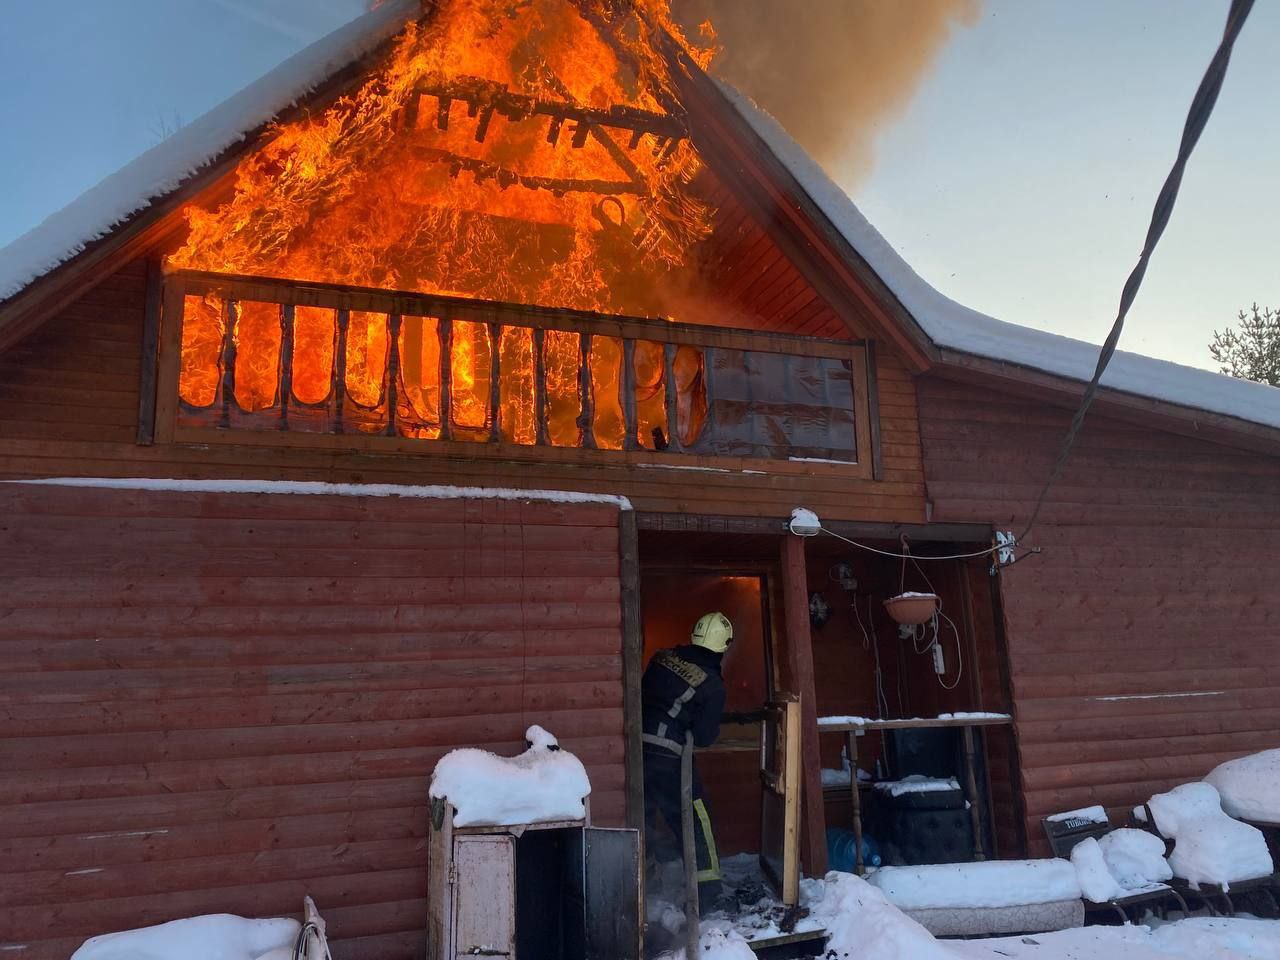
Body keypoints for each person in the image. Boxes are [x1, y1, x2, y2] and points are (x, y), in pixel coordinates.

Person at [641, 611, 732, 912]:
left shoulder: (661, 658)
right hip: (670, 756)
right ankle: (707, 893)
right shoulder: (713, 684)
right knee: (696, 816)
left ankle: (645, 879)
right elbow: (705, 736)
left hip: (636, 749)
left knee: (643, 813)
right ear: (723, 646)